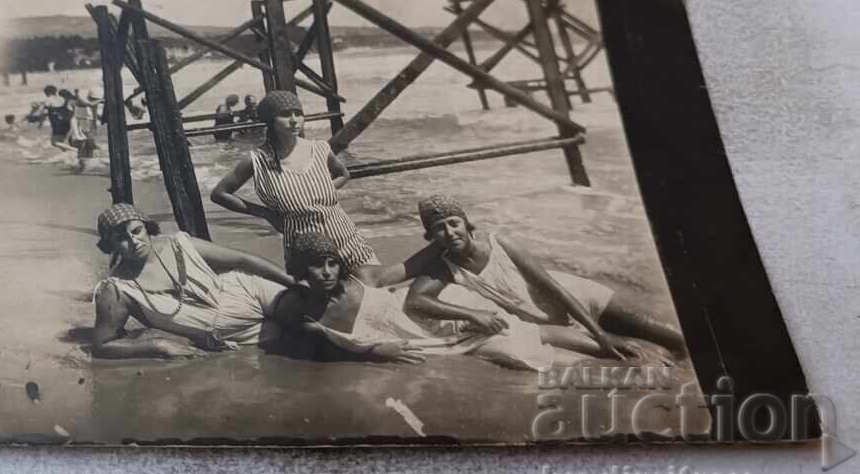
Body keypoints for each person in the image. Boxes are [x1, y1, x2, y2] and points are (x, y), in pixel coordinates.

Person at [404, 195, 684, 363]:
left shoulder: (499, 242)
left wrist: (602, 334)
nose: (450, 232)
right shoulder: (444, 268)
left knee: (678, 340)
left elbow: (552, 287)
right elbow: (415, 301)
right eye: (439, 229)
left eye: (454, 223)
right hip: (556, 323)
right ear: (431, 238)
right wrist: (473, 313)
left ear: (467, 224)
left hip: (583, 299)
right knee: (647, 355)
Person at [271, 231, 562, 369]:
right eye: (316, 265)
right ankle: (605, 361)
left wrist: (447, 235)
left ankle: (606, 348)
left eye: (332, 262)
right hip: (424, 345)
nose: (326, 272)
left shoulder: (362, 277)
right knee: (519, 356)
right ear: (300, 268)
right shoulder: (302, 311)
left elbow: (410, 267)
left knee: (525, 334)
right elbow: (316, 352)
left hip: (436, 316)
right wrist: (372, 353)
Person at [91, 203, 300, 359]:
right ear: (110, 246)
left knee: (308, 314)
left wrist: (292, 281)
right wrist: (158, 345)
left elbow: (243, 260)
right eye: (121, 239)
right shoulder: (117, 289)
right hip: (235, 334)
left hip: (249, 291)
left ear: (147, 228)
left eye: (137, 231)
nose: (134, 242)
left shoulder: (179, 243)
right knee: (293, 342)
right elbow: (102, 346)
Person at [211, 90, 377, 271]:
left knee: (376, 292)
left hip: (347, 239)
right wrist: (266, 213)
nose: (294, 120)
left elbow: (343, 174)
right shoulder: (257, 159)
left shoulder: (320, 148)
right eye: (285, 114)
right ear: (271, 120)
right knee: (321, 299)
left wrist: (321, 191)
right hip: (307, 253)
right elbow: (220, 194)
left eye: (298, 114)